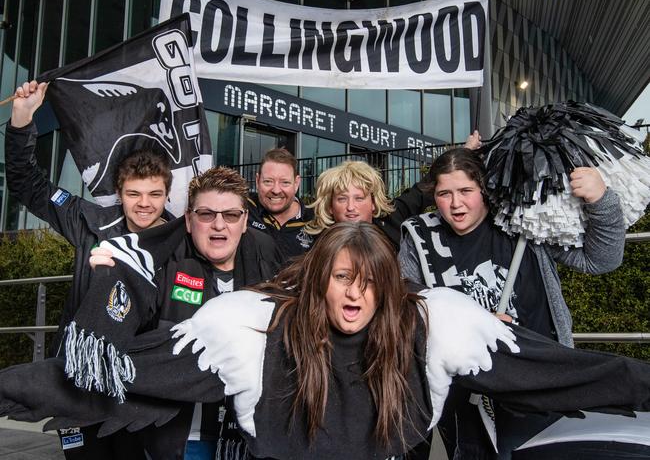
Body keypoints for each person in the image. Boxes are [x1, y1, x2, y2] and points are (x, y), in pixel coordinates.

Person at [1, 222, 650, 460]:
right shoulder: (250, 327)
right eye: (342, 276)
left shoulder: (435, 324)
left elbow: (562, 370)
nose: (354, 294)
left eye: (369, 281)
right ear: (320, 277)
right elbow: (132, 370)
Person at [398, 147, 626, 459]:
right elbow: (406, 308)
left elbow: (601, 260)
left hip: (542, 379)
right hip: (467, 396)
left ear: (484, 188)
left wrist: (601, 201)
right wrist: (471, 325)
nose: (455, 203)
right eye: (444, 193)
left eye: (466, 190)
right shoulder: (420, 237)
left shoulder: (524, 220)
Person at [5, 80, 175, 459]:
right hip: (77, 383)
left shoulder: (180, 243)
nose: (143, 204)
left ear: (166, 193)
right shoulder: (89, 220)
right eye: (133, 194)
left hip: (138, 388)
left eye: (154, 194)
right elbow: (26, 183)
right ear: (119, 192)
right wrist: (22, 119)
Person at [88, 166, 282, 460]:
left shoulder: (268, 266)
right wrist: (111, 284)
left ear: (244, 222)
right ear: (189, 221)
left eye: (230, 215)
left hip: (250, 440)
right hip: (180, 439)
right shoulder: (161, 265)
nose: (219, 225)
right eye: (206, 214)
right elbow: (123, 326)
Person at [304, 160, 433, 248]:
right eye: (342, 199)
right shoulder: (317, 245)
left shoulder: (391, 223)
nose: (350, 207)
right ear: (330, 206)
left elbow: (425, 188)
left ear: (373, 203)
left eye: (359, 198)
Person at [246, 148, 314, 262]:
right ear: (257, 181)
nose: (276, 190)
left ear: (296, 183)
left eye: (285, 182)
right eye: (268, 181)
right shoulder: (242, 209)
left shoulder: (315, 222)